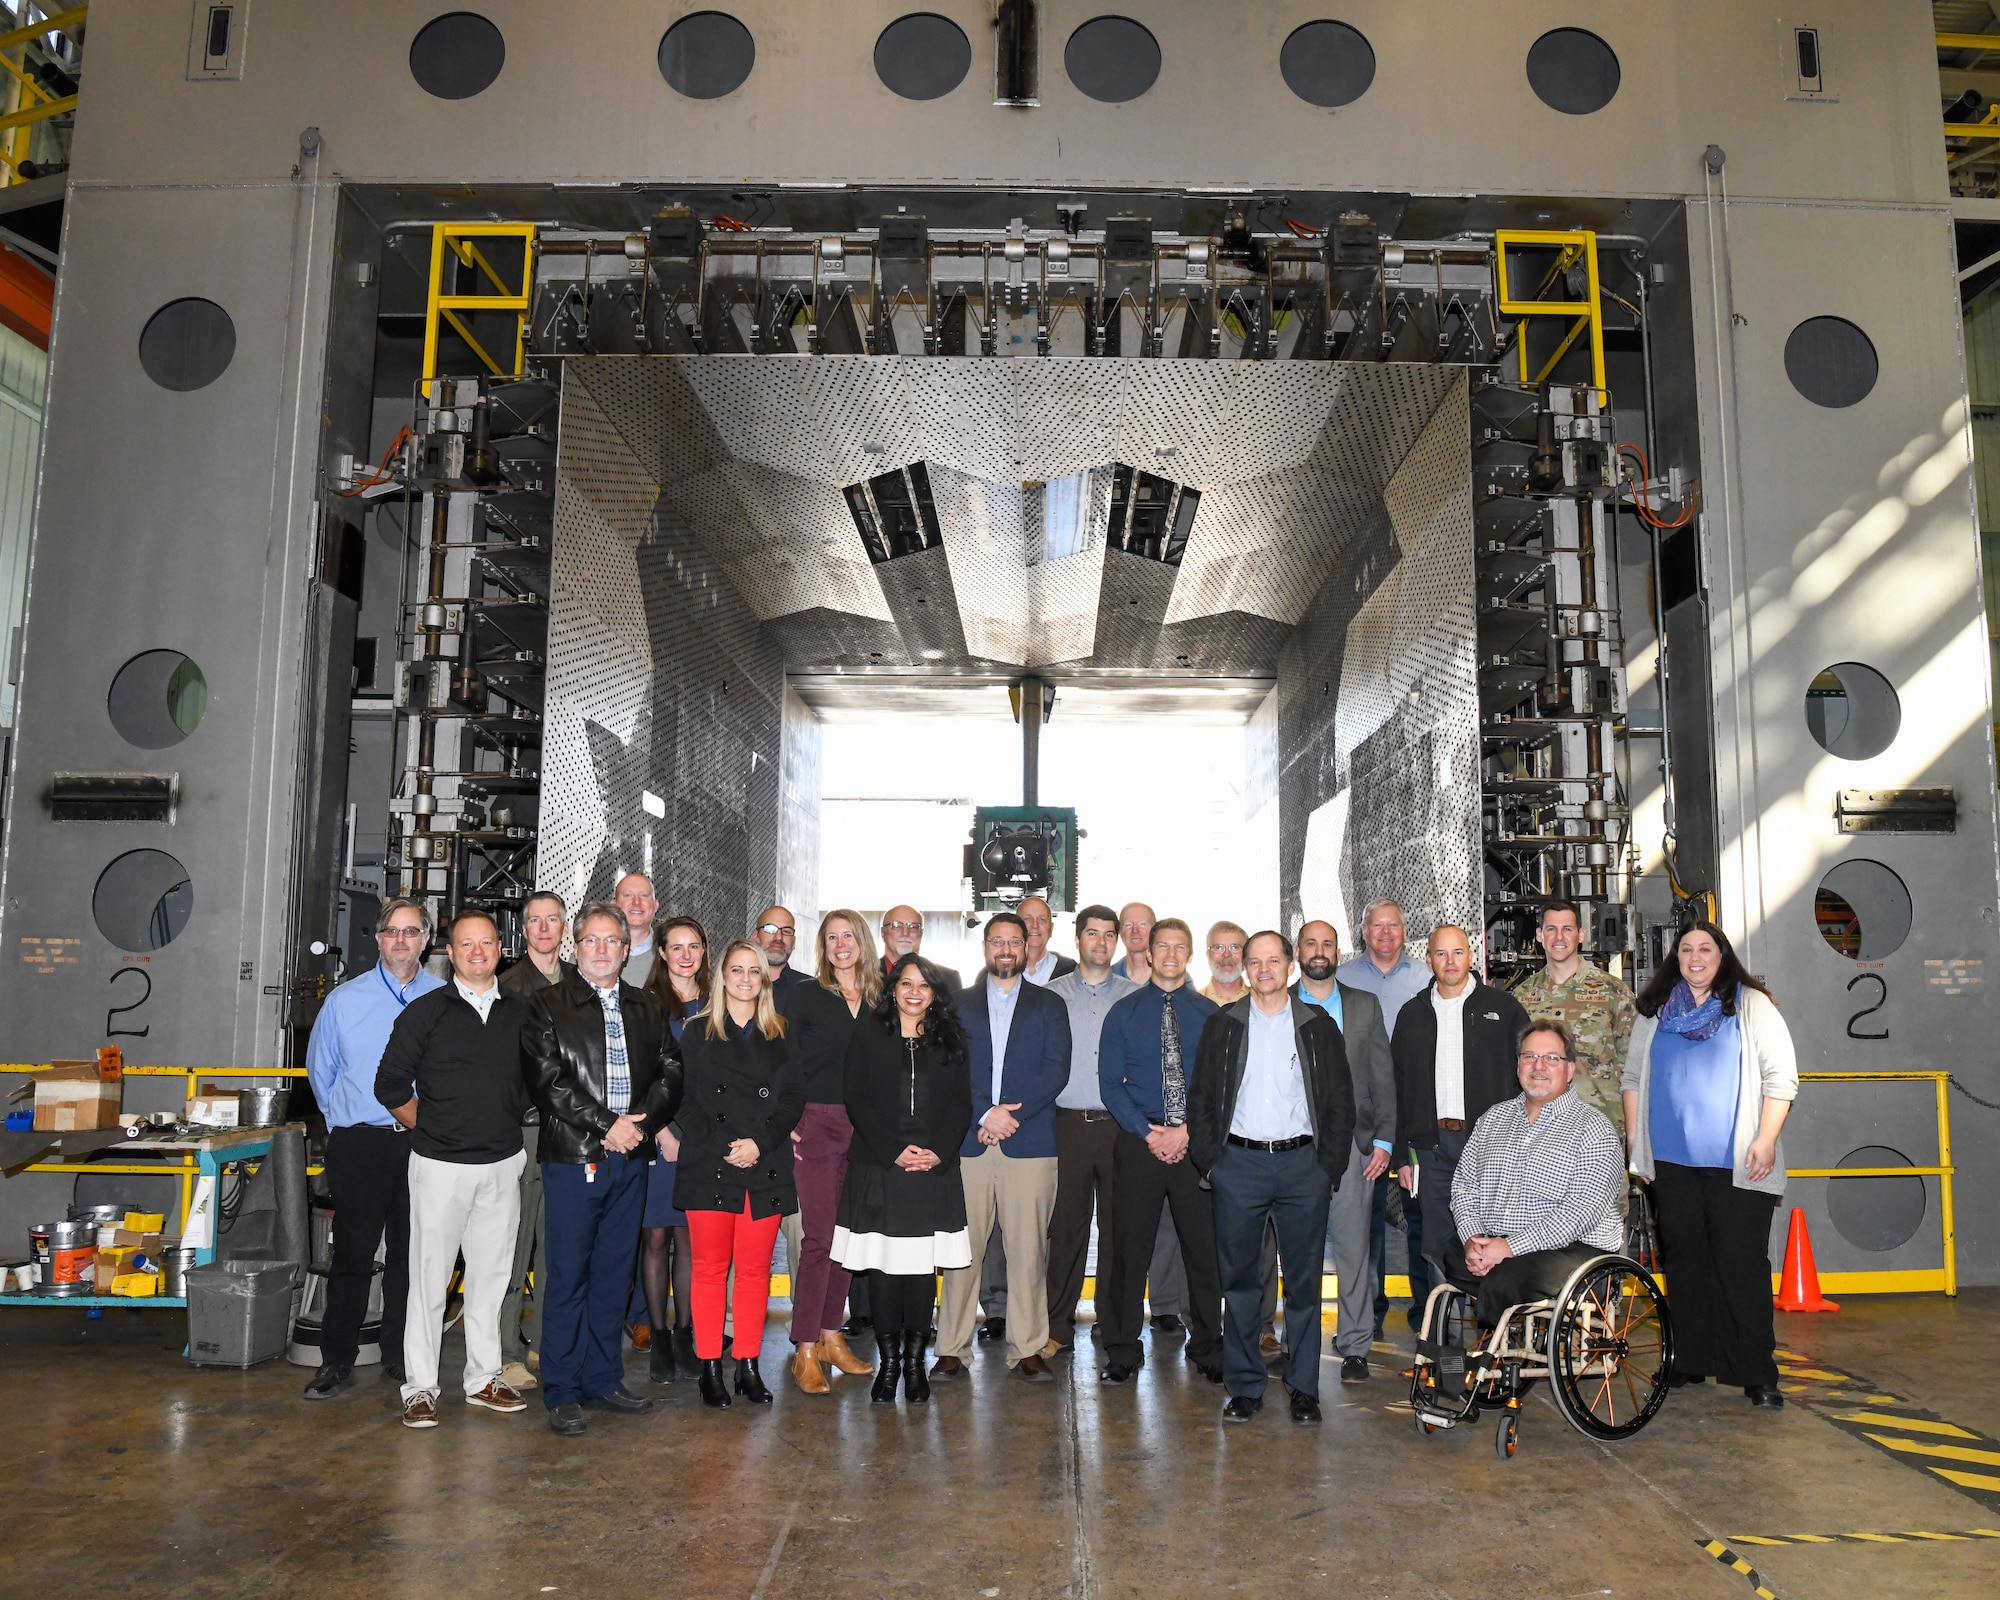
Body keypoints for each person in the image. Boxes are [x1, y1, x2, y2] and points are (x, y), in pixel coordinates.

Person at [522, 901, 683, 1436]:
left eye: (611, 940)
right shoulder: (547, 1005)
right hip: (575, 1157)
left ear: (624, 946)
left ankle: (602, 1377)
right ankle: (563, 1388)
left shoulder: (646, 1006)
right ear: (576, 945)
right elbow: (548, 1082)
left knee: (615, 1272)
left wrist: (642, 1123)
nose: (601, 949)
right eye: (590, 939)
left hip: (630, 1159)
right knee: (568, 1274)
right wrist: (607, 1125)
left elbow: (670, 1070)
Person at [1623, 922, 1796, 1409]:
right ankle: (1689, 1361)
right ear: (1674, 957)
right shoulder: (1655, 1011)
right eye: (1686, 949)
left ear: (1722, 955)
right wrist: (1638, 1144)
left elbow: (1782, 1078)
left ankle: (1756, 1371)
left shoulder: (1750, 1005)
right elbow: (1633, 1077)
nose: (1695, 957)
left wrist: (1766, 1139)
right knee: (1685, 1264)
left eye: (1705, 948)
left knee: (1741, 1265)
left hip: (1739, 1163)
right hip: (1672, 1165)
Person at [374, 910, 533, 1430]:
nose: (478, 952)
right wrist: (431, 1128)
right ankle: (420, 1387)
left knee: (491, 1278)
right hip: (439, 1166)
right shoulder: (426, 1012)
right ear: (451, 951)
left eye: (486, 943)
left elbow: (540, 1080)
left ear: (500, 948)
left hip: (503, 1163)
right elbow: (390, 1084)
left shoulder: (523, 1012)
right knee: (429, 1280)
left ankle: (485, 1377)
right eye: (467, 944)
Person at [1190, 930, 1356, 1423]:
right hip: (1237, 1167)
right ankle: (1245, 1387)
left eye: (1273, 960)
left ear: (1289, 966)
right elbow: (1199, 1099)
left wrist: (1327, 1164)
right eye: (1254, 961)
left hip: (1302, 1166)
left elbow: (1340, 1102)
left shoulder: (1317, 1025)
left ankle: (1304, 1388)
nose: (1264, 969)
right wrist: (1212, 1162)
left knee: (1303, 1284)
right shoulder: (1222, 1025)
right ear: (1245, 969)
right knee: (1240, 1283)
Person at [301, 896, 444, 1400]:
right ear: (379, 939)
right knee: (353, 1254)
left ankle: (398, 1357)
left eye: (412, 932)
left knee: (412, 1256)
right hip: (360, 1143)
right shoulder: (346, 1000)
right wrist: (348, 1120)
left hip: (423, 1145)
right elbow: (321, 1074)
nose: (401, 940)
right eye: (392, 932)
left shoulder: (445, 999)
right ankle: (336, 1359)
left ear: (426, 941)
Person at [666, 940, 807, 1409]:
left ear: (764, 979)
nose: (746, 979)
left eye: (754, 971)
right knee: (709, 1270)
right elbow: (683, 1100)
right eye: (737, 970)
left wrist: (758, 1144)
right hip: (711, 1163)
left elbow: (791, 1100)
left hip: (764, 1163)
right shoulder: (696, 1032)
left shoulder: (781, 1032)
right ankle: (710, 1367)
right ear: (722, 976)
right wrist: (727, 1145)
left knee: (753, 1271)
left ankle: (747, 1365)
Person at [933, 911, 1071, 1384]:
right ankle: (951, 1348)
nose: (1006, 949)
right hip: (969, 1142)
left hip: (1029, 1143)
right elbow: (945, 1070)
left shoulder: (1050, 1005)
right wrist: (983, 1113)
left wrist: (1011, 1115)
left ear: (1028, 945)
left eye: (1015, 940)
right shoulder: (955, 1004)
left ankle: (1029, 1347)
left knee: (1028, 1251)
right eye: (997, 941)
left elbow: (1056, 1070)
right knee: (962, 1252)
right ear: (986, 947)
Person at [832, 953, 975, 1404]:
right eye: (906, 983)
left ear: (935, 994)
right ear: (892, 988)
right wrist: (895, 1150)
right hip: (879, 1165)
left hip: (933, 1169)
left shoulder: (949, 1039)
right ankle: (889, 1364)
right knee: (884, 1272)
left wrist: (938, 1151)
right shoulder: (870, 1034)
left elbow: (960, 1106)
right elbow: (857, 1098)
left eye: (924, 985)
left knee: (919, 1273)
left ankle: (916, 1365)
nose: (915, 992)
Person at [1448, 1019, 1624, 1359]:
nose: (1539, 1067)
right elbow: (1464, 1186)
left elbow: (1579, 1214)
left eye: (1551, 1059)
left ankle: (1486, 1360)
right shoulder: (1493, 1120)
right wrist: (1473, 1239)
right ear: (1518, 1066)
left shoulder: (1594, 1130)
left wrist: (1508, 1249)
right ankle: (1495, 1292)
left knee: (1507, 1277)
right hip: (1500, 1245)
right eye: (1529, 1057)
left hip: (1575, 1249)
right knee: (1448, 1250)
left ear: (1570, 1070)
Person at [1096, 917, 1224, 1385]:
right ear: (1148, 954)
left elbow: (1219, 1087)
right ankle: (1123, 1349)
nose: (1170, 955)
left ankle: (1209, 1346)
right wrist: (1149, 1134)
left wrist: (1187, 1132)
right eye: (1162, 947)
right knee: (1129, 1250)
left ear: (1189, 955)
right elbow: (1110, 1084)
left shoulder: (1211, 1015)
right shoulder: (1123, 1014)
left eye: (1180, 947)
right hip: (1138, 1143)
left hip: (1195, 1147)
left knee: (1203, 1250)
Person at [779, 909, 881, 1394]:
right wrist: (789, 1122)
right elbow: (783, 1062)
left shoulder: (882, 998)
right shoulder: (805, 996)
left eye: (848, 935)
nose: (841, 944)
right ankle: (803, 1349)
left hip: (866, 1131)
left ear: (862, 940)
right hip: (817, 1124)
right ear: (822, 945)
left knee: (847, 1241)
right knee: (818, 1241)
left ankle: (831, 1338)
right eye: (831, 937)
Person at [1392, 925, 1529, 1287]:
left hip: (1491, 1147)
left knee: (1494, 1239)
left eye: (1457, 952)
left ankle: (1494, 1330)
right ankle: (1443, 1335)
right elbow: (1397, 1087)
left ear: (1471, 956)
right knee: (1436, 1243)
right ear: (1429, 960)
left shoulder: (1505, 1009)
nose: (1450, 961)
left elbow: (1529, 1078)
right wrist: (1402, 1157)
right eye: (1441, 953)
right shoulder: (1411, 1015)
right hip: (1432, 1148)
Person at [1291, 919, 1395, 1383]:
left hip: (1354, 1147)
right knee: (1301, 1252)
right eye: (1310, 943)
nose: (1319, 951)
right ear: (1298, 951)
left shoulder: (1364, 1006)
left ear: (1338, 951)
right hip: (1295, 1148)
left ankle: (1354, 1346)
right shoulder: (1278, 1004)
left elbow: (1382, 1079)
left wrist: (1386, 1141)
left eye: (1327, 943)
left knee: (1354, 1251)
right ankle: (1300, 1343)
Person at [1041, 906, 1139, 1358]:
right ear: (1077, 939)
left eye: (1108, 935)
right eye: (1092, 934)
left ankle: (1113, 1322)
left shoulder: (1135, 996)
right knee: (1066, 1232)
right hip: (1067, 1128)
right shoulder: (1050, 996)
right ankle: (1057, 1325)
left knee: (1121, 1232)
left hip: (1121, 1128)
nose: (1100, 942)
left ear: (1117, 942)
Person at [1336, 898, 1435, 1333]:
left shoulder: (1427, 977)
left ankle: (1425, 1312)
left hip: (1416, 1107)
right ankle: (1369, 1313)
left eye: (1393, 925)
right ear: (1364, 931)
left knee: (1421, 1218)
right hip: (1365, 1116)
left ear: (1404, 929)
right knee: (1365, 1220)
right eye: (1377, 926)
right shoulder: (1340, 979)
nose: (1386, 933)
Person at [494, 890, 574, 1393]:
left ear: (564, 928)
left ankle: (546, 1343)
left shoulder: (577, 983)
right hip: (524, 1131)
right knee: (513, 1247)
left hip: (567, 1133)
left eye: (553, 920)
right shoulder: (508, 987)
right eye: (535, 921)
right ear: (524, 930)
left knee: (556, 1249)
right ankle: (504, 1351)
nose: (544, 929)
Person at [636, 915, 709, 1383]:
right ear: (661, 953)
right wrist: (661, 1133)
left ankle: (687, 1333)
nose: (685, 955)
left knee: (691, 1240)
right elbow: (638, 1074)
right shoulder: (645, 1006)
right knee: (656, 1237)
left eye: (693, 946)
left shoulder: (718, 1004)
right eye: (675, 947)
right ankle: (658, 1334)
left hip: (701, 1137)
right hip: (659, 1136)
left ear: (704, 952)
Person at [1512, 899, 1638, 1136]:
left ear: (1581, 935)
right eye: (1551, 929)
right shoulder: (1522, 997)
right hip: (1542, 1133)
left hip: (1602, 1130)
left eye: (1567, 929)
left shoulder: (1612, 992)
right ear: (1539, 935)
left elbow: (1635, 1069)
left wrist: (1634, 1135)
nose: (1559, 937)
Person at [881, 904, 963, 993]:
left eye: (913, 926)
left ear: (921, 933)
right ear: (883, 932)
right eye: (896, 926)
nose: (905, 933)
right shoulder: (865, 976)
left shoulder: (948, 979)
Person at [1018, 895, 1077, 985]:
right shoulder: (1000, 970)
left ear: (1051, 929)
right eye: (1027, 919)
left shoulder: (1071, 972)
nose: (1035, 925)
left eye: (1042, 919)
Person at [753, 903, 808, 997]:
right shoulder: (738, 986)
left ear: (793, 942)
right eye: (770, 929)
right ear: (755, 937)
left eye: (786, 931)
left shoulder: (810, 990)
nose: (778, 937)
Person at [615, 872, 658, 985]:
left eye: (644, 896)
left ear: (655, 905)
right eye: (628, 895)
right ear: (613, 905)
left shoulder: (670, 956)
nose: (637, 902)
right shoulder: (590, 952)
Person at [1200, 921, 1249, 1005]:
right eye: (1219, 947)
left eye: (1234, 947)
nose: (1226, 955)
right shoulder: (1191, 1005)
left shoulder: (1260, 1001)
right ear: (1208, 955)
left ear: (1246, 955)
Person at [1110, 902, 1155, 983]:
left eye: (1142, 924)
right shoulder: (1108, 978)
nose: (1135, 930)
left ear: (1154, 930)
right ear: (1120, 931)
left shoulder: (1171, 977)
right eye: (1128, 925)